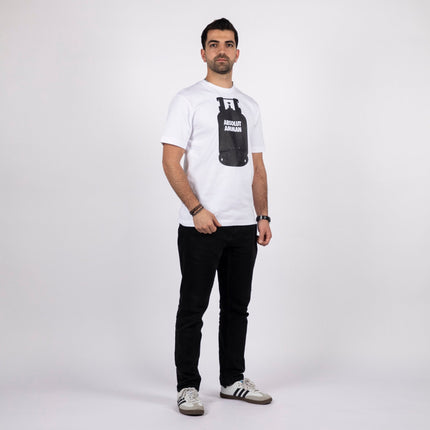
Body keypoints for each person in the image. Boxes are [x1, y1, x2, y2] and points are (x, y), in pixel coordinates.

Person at [161, 17, 272, 416]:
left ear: (237, 53)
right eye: (214, 44)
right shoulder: (187, 100)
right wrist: (196, 209)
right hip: (201, 226)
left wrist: (263, 215)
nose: (221, 50)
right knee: (193, 308)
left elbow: (258, 167)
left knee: (237, 308)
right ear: (203, 52)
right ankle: (187, 387)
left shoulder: (250, 105)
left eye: (227, 44)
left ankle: (232, 380)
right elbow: (170, 161)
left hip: (243, 226)